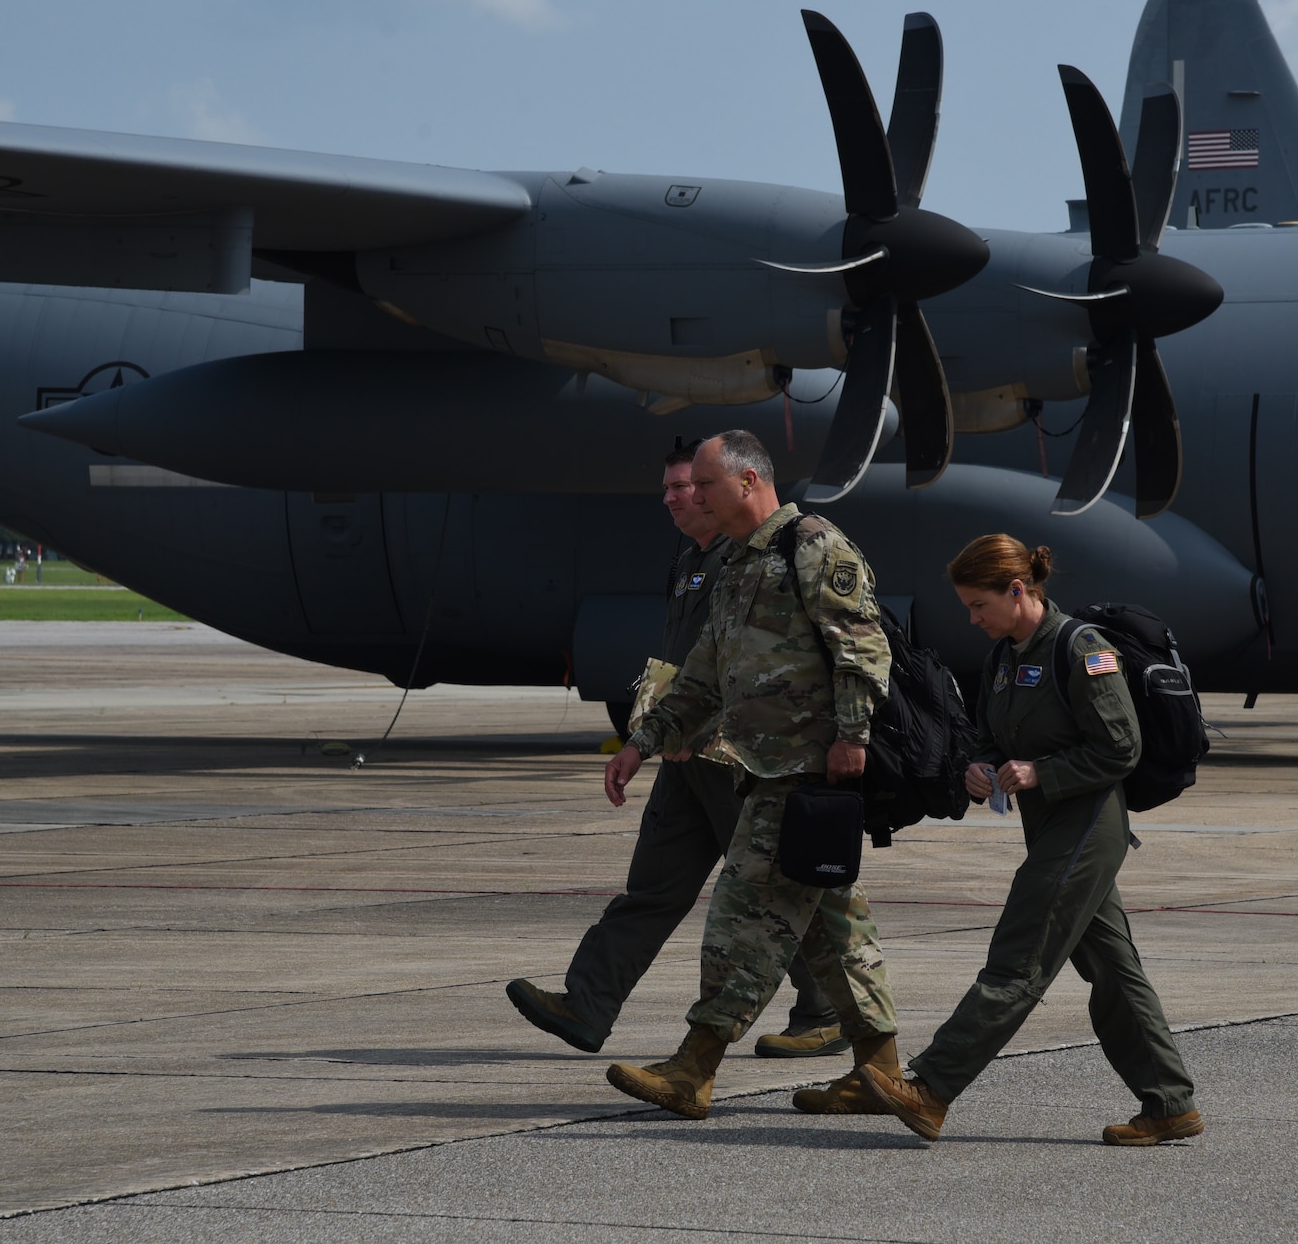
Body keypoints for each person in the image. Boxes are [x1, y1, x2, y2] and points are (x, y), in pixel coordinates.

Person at [858, 533, 1201, 1146]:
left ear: (1018, 591)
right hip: (1050, 824)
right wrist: (982, 765)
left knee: (1021, 955)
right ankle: (1170, 1103)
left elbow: (1121, 747)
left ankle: (932, 1088)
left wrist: (1043, 772)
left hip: (1087, 823)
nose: (972, 618)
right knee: (1114, 971)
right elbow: (999, 733)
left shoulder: (1082, 649)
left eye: (979, 605)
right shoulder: (1005, 657)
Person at [600, 429, 901, 1120]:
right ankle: (880, 1071)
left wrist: (852, 737)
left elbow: (864, 648)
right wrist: (640, 743)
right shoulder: (736, 563)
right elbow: (702, 676)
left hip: (805, 774)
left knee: (740, 916)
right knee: (835, 930)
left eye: (703, 485)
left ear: (745, 482)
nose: (694, 497)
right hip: (762, 769)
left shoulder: (814, 546)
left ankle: (694, 1065)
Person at [504, 443, 843, 1057]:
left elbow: (763, 663)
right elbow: (687, 664)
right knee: (654, 887)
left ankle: (829, 1009)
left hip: (738, 758)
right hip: (686, 751)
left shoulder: (761, 558)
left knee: (779, 886)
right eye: (672, 488)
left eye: (688, 486)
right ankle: (588, 1002)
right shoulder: (693, 558)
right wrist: (646, 739)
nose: (675, 498)